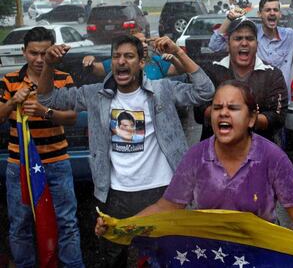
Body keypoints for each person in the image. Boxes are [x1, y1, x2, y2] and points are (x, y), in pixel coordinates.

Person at [96, 80, 293, 265]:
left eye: (233, 108)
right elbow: (166, 208)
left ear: (250, 119)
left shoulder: (272, 157)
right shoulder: (196, 156)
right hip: (207, 255)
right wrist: (122, 226)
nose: (223, 113)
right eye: (217, 107)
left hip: (258, 253)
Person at [37, 35, 214, 267]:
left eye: (129, 56)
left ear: (141, 62)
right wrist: (49, 64)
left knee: (163, 258)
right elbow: (48, 97)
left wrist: (178, 53)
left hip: (161, 192)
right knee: (114, 259)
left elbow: (205, 91)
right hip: (115, 194)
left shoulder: (162, 90)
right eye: (116, 56)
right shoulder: (95, 95)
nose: (122, 61)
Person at [0, 27, 84, 267]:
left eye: (44, 53)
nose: (39, 59)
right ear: (23, 52)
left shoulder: (62, 78)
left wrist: (44, 111)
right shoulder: (10, 81)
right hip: (20, 164)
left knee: (66, 222)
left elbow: (72, 117)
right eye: (33, 53)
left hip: (57, 161)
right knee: (20, 224)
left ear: (52, 53)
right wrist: (13, 102)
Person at [209, 0, 293, 98]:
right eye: (268, 10)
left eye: (275, 10)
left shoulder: (290, 36)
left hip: (280, 99)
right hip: (251, 97)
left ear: (280, 14)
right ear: (259, 14)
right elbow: (215, 45)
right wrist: (229, 19)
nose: (272, 13)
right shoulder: (250, 34)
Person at [194, 17, 288, 143]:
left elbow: (278, 117)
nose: (244, 43)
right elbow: (199, 111)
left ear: (257, 43)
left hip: (260, 151)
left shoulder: (273, 75)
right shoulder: (211, 71)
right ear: (228, 43)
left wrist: (240, 119)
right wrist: (241, 116)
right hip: (215, 151)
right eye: (238, 38)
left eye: (250, 38)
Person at [82, 32, 185, 80]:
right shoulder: (119, 63)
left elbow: (181, 70)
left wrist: (175, 54)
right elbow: (94, 69)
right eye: (139, 43)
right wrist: (88, 61)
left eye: (145, 42)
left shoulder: (156, 61)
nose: (144, 45)